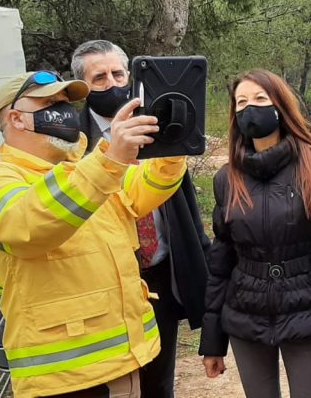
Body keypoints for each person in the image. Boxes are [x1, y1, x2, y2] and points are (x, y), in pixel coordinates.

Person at [0, 71, 187, 397]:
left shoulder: (86, 173)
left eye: (67, 103)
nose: (66, 111)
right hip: (64, 380)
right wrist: (109, 160)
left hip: (126, 361)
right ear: (16, 118)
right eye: (52, 103)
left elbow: (146, 189)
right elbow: (29, 225)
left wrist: (170, 149)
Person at [198, 69, 311, 397]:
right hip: (245, 316)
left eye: (259, 99)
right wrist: (212, 342)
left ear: (280, 106)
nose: (249, 108)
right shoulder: (227, 179)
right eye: (241, 102)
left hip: (306, 315)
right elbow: (220, 263)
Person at [71, 39, 210, 398]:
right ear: (83, 86)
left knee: (159, 379)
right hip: (103, 283)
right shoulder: (70, 140)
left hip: (159, 273)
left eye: (118, 73)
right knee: (110, 381)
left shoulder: (160, 128)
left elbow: (182, 203)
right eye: (99, 77)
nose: (113, 83)